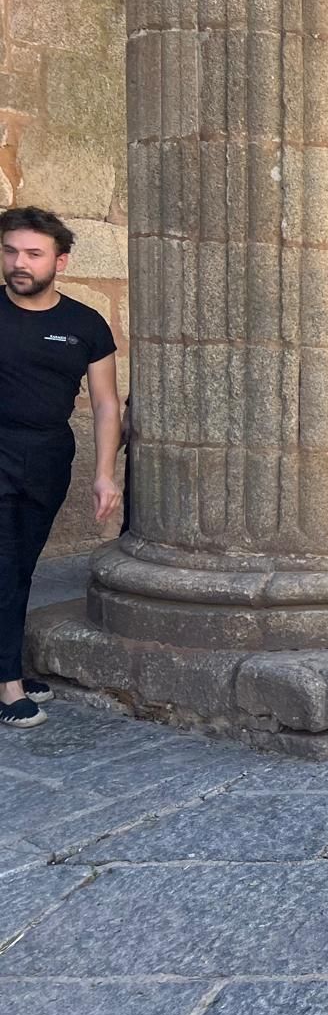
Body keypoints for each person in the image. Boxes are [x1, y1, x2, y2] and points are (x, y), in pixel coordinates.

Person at [1, 207, 122, 729]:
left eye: (32, 253)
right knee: (3, 564)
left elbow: (104, 404)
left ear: (61, 261)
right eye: (10, 251)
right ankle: (8, 686)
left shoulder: (84, 324)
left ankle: (7, 667)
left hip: (48, 454)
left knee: (22, 563)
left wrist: (103, 473)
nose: (18, 263)